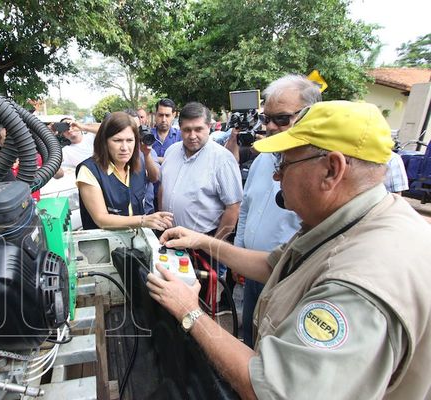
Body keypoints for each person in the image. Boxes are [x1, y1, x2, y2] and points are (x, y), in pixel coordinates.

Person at [147, 100, 431, 399]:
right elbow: (273, 265)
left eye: (284, 163)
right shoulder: (356, 219)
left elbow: (272, 389)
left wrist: (190, 312)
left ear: (331, 170)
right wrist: (203, 240)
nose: (276, 176)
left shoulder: (359, 282)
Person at [236, 74, 320, 348]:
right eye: (266, 118)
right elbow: (246, 207)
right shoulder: (263, 160)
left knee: (272, 350)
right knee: (249, 339)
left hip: (289, 280)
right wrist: (239, 254)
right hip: (254, 272)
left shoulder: (317, 170)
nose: (271, 126)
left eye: (281, 118)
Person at [159, 102, 243, 274]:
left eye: (198, 129)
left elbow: (233, 207)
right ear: (179, 128)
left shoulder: (222, 159)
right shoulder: (171, 152)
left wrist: (215, 248)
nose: (192, 135)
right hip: (170, 239)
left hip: (203, 247)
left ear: (209, 127)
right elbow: (163, 188)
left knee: (202, 298)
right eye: (187, 130)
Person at [75, 111, 173, 230]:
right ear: (104, 142)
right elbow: (101, 219)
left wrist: (147, 155)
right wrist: (143, 220)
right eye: (117, 140)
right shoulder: (89, 170)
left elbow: (154, 177)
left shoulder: (139, 164)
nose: (124, 148)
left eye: (130, 140)